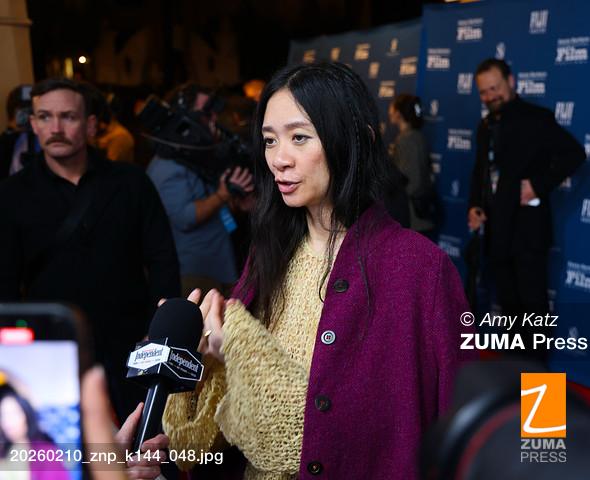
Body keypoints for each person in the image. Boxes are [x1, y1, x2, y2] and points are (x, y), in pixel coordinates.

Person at [162, 62, 475, 480]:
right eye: (270, 140)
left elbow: (460, 420)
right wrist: (200, 356)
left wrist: (236, 343)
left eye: (299, 137)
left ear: (354, 140)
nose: (279, 159)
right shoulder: (268, 253)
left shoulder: (418, 268)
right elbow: (232, 424)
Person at [0, 78, 181, 421]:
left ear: (91, 124)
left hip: (131, 343)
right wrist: (17, 350)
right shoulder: (11, 195)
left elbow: (162, 260)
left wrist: (159, 333)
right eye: (44, 116)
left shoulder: (131, 183)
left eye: (68, 116)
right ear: (33, 124)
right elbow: (5, 282)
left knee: (142, 437)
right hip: (52, 348)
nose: (56, 128)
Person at [467, 58, 585, 355]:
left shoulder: (537, 118)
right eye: (483, 92)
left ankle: (539, 388)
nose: (490, 96)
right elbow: (481, 171)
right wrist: (475, 205)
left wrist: (537, 185)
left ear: (511, 82)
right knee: (510, 317)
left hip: (528, 234)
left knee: (535, 316)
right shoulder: (485, 126)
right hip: (497, 233)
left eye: (495, 88)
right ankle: (514, 382)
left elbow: (574, 153)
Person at [147, 85, 254, 298]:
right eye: (205, 112)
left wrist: (238, 203)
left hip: (220, 265)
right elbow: (185, 217)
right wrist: (222, 195)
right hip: (195, 273)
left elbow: (219, 213)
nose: (213, 118)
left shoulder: (193, 159)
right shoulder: (166, 166)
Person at [388, 94, 435, 235]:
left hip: (412, 219)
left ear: (398, 113)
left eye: (392, 107)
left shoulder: (407, 139)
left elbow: (413, 181)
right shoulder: (415, 136)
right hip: (417, 217)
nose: (389, 111)